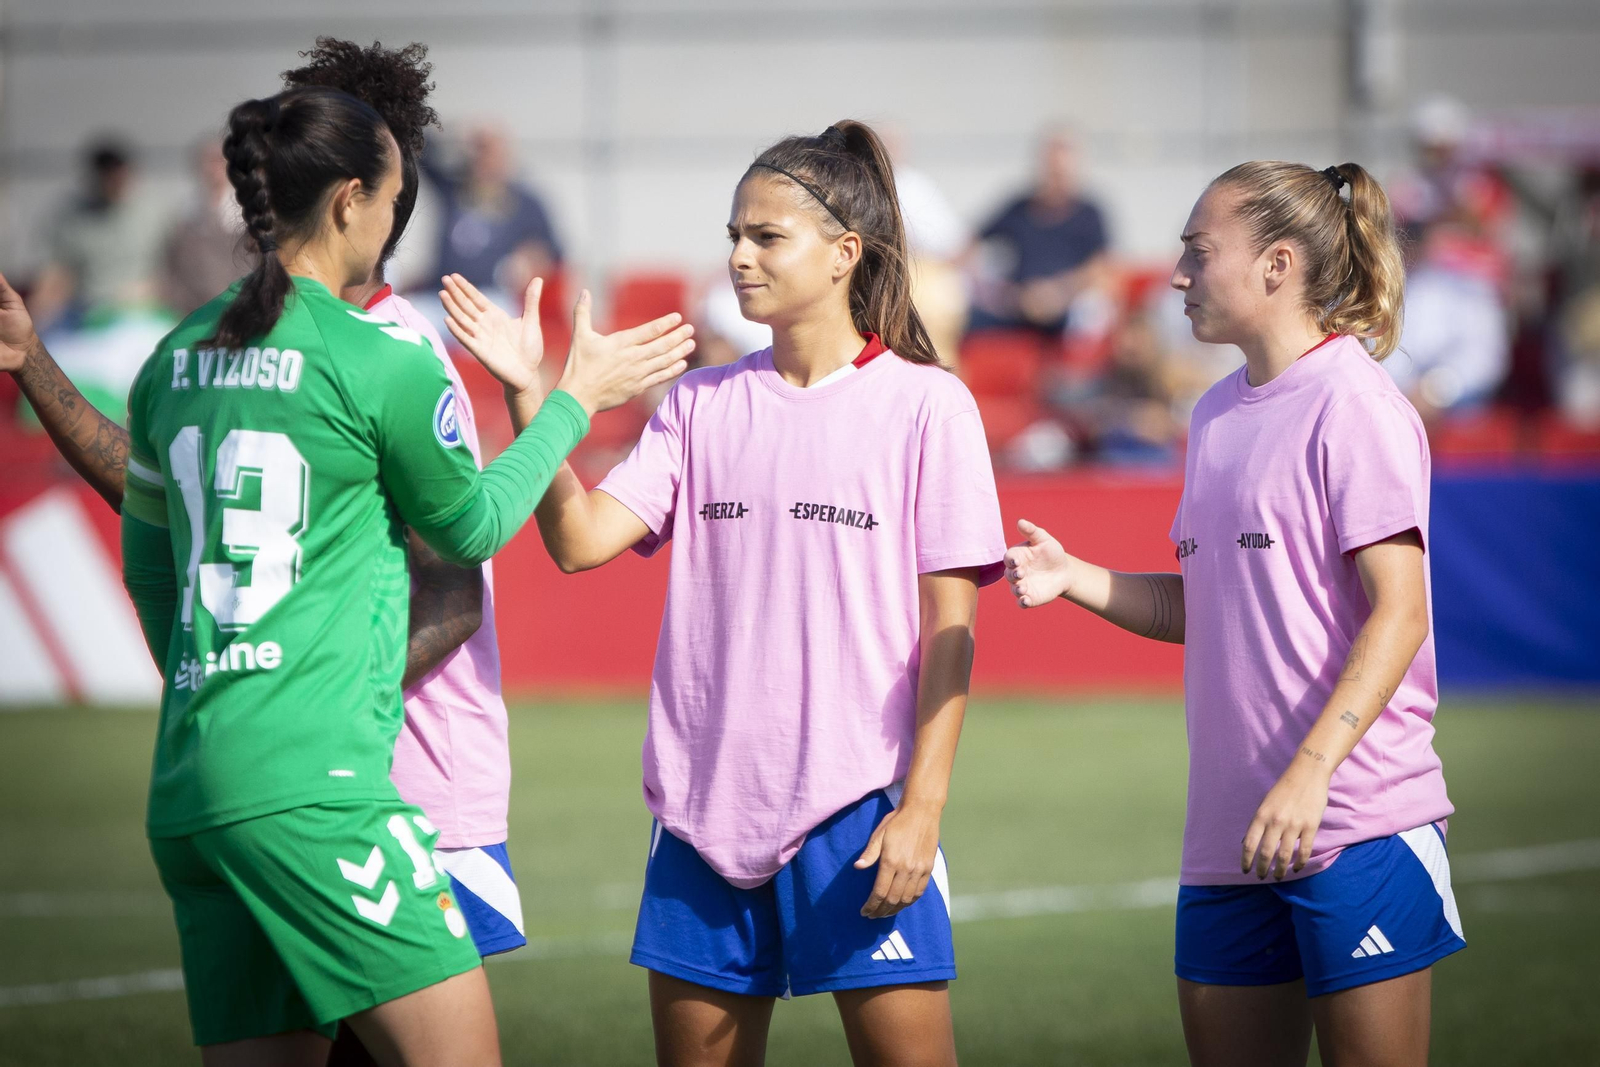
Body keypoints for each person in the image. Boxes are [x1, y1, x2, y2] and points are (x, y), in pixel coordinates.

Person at [0, 86, 691, 1065]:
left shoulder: (176, 354)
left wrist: (220, 687)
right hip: (320, 785)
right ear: (349, 201)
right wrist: (570, 401)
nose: (399, 225)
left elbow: (154, 574)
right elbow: (477, 526)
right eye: (395, 198)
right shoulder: (382, 360)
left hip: (193, 786)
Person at [442, 120, 1006, 1067]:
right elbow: (579, 541)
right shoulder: (699, 403)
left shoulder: (928, 404)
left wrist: (924, 808)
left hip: (863, 812)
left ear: (844, 254)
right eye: (733, 235)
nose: (738, 258)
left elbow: (953, 629)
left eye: (766, 237)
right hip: (700, 820)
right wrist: (532, 395)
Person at [1006, 161, 1462, 1067]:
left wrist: (1310, 774)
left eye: (1197, 251)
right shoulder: (1213, 413)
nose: (1174, 275)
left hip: (1355, 825)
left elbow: (1400, 615)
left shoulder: (1356, 405)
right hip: (1228, 840)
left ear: (1277, 265)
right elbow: (1203, 607)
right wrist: (1078, 576)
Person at [967, 129, 1109, 338]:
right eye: (1051, 171)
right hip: (1018, 306)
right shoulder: (1018, 208)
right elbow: (970, 243)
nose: (1055, 180)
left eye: (1061, 173)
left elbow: (1102, 268)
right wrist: (1006, 294)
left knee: (1091, 316)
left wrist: (1058, 293)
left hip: (1069, 307)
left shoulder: (1090, 214)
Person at [28, 138, 168, 334]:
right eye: (107, 177)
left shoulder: (154, 213)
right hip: (88, 315)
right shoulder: (73, 217)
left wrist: (153, 289)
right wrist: (35, 318)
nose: (114, 183)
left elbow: (176, 268)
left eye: (119, 175)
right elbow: (56, 274)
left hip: (139, 316)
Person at [161, 137, 250, 317]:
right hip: (195, 311)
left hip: (241, 308)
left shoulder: (247, 211)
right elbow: (173, 265)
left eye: (218, 160)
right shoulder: (186, 214)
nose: (212, 168)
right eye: (207, 161)